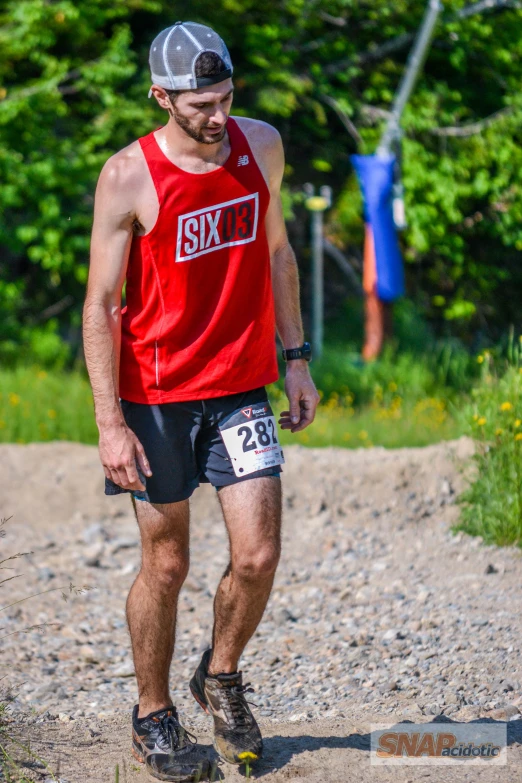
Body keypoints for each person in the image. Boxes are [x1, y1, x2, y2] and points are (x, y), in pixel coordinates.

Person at [83, 20, 320, 783]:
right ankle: (153, 716)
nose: (218, 119)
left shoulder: (263, 146)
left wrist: (298, 360)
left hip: (241, 385)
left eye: (225, 99)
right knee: (169, 560)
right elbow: (103, 305)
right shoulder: (129, 175)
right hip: (154, 397)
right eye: (200, 106)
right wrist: (109, 422)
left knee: (258, 554)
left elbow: (279, 250)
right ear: (161, 96)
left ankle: (219, 676)